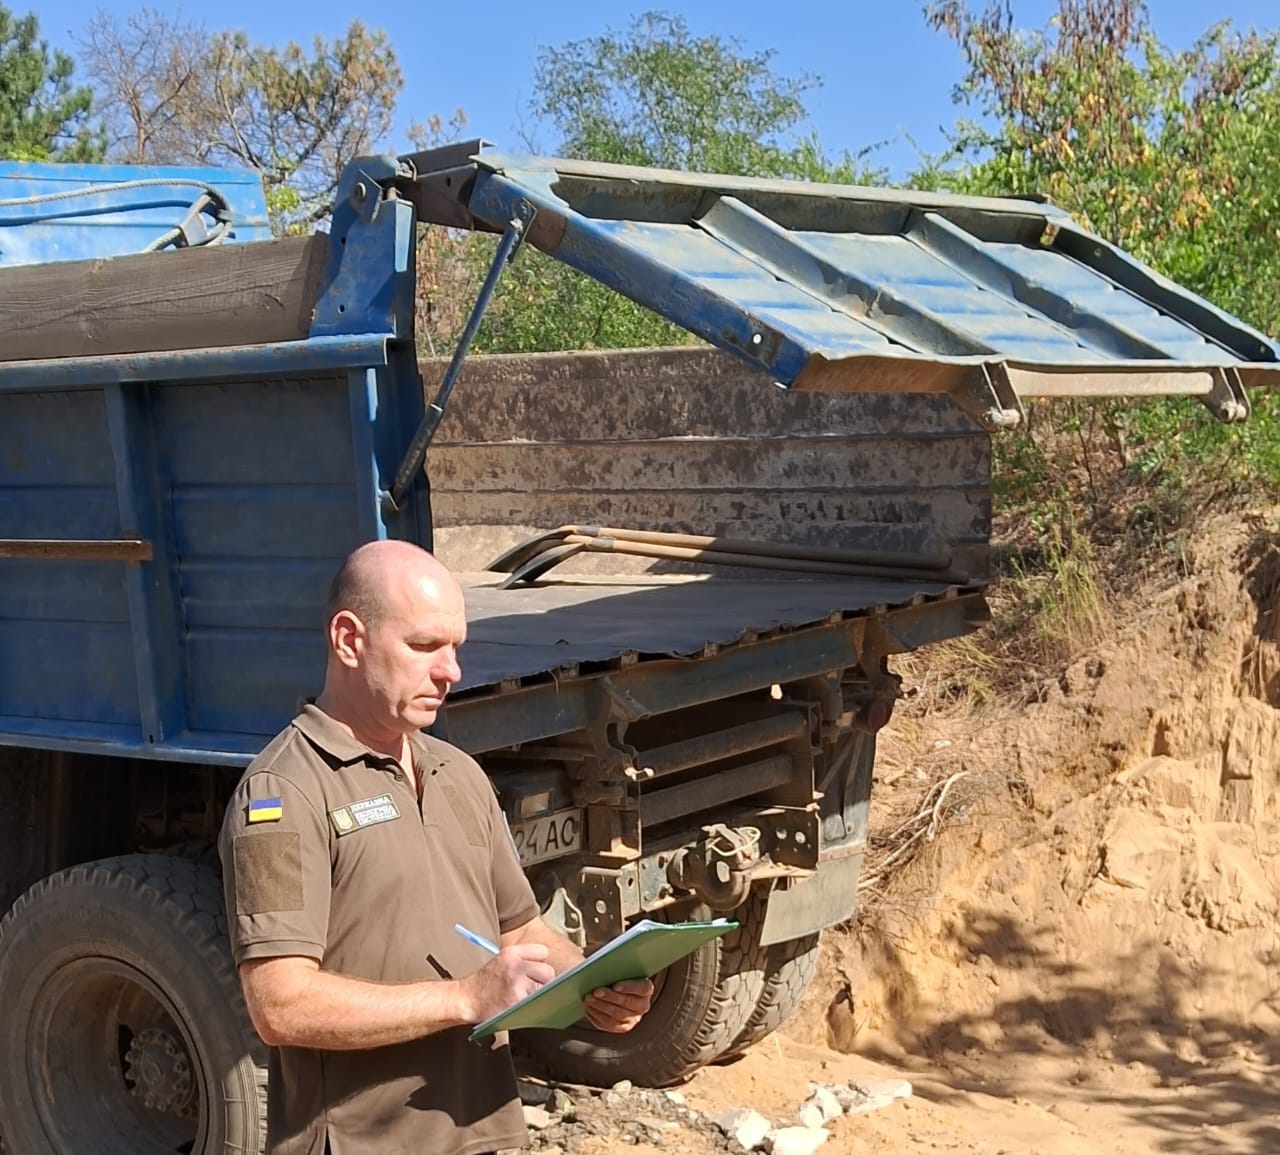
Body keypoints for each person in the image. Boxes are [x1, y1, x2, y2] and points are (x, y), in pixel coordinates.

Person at [218, 540, 654, 1154]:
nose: (450, 671)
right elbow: (279, 1005)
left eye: (456, 648)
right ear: (348, 639)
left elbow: (520, 931)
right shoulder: (285, 792)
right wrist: (464, 998)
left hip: (482, 1132)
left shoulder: (458, 772)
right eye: (424, 646)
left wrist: (590, 984)